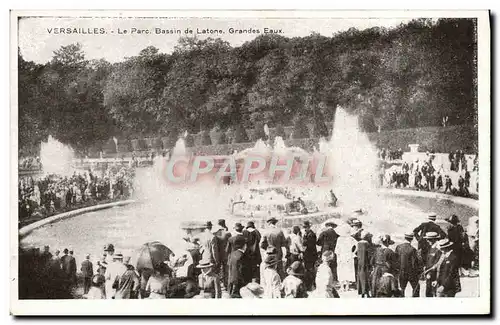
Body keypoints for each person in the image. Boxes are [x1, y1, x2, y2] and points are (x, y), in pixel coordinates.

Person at [423, 232, 442, 297]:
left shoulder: (438, 249)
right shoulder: (431, 248)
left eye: (429, 239)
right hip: (428, 273)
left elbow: (437, 263)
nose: (427, 241)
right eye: (427, 239)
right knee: (428, 292)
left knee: (433, 292)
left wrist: (430, 273)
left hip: (433, 274)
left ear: (434, 239)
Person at [356, 231, 373, 298]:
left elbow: (356, 252)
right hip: (366, 263)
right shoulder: (367, 244)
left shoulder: (358, 243)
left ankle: (362, 292)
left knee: (360, 276)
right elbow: (369, 255)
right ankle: (367, 293)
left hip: (360, 263)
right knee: (367, 277)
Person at [302, 221, 318, 291]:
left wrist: (304, 241)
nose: (305, 229)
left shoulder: (311, 234)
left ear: (309, 227)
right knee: (309, 270)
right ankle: (311, 284)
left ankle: (312, 284)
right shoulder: (308, 234)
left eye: (306, 227)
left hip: (310, 255)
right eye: (304, 227)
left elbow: (308, 245)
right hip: (309, 254)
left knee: (310, 270)